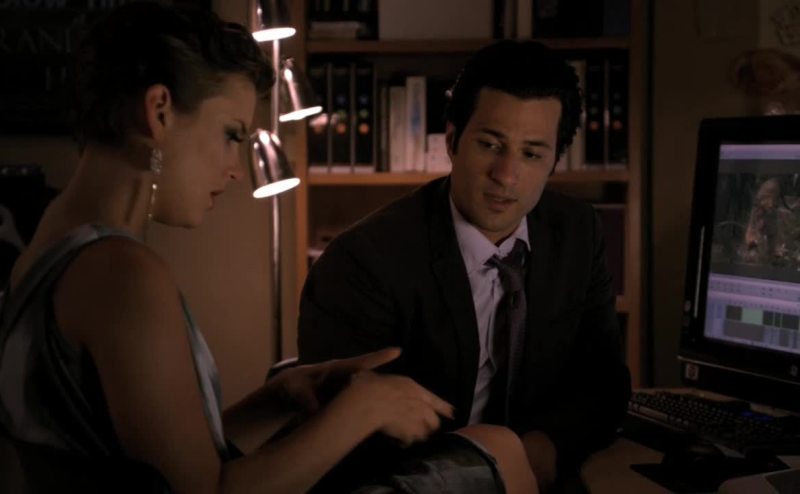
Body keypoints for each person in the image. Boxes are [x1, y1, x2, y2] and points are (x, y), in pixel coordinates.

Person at [0, 3, 534, 493]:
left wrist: (276, 400)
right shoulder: (122, 274)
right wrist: (364, 408)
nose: (236, 169)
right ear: (159, 112)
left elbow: (161, 463)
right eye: (232, 134)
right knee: (499, 452)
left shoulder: (49, 244)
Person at [298, 39, 632, 493]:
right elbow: (342, 441)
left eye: (532, 154)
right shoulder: (363, 261)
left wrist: (544, 447)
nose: (506, 175)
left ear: (555, 160)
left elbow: (604, 381)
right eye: (490, 145)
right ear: (453, 141)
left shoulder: (578, 232)